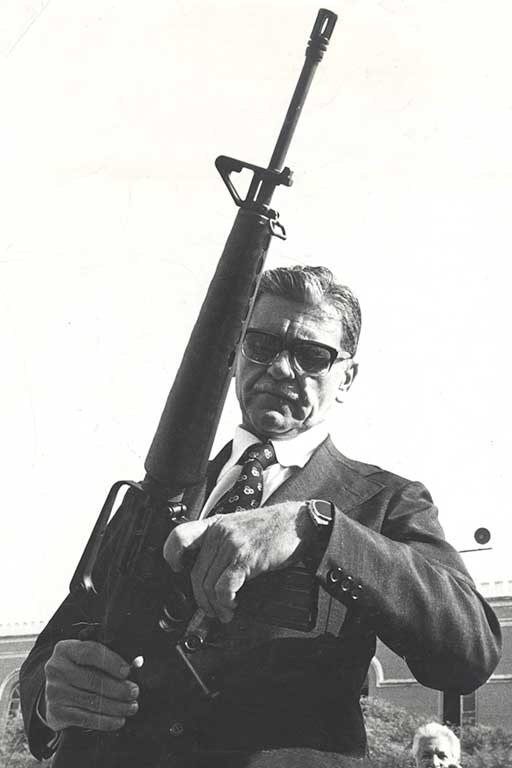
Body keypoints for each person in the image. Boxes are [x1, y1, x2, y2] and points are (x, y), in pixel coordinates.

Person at [20, 266, 500, 766]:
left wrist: (315, 529)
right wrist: (49, 697)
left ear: (346, 377)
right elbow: (50, 654)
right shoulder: (154, 497)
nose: (282, 368)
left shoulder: (383, 502)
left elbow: (471, 650)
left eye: (312, 355)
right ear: (235, 355)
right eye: (262, 345)